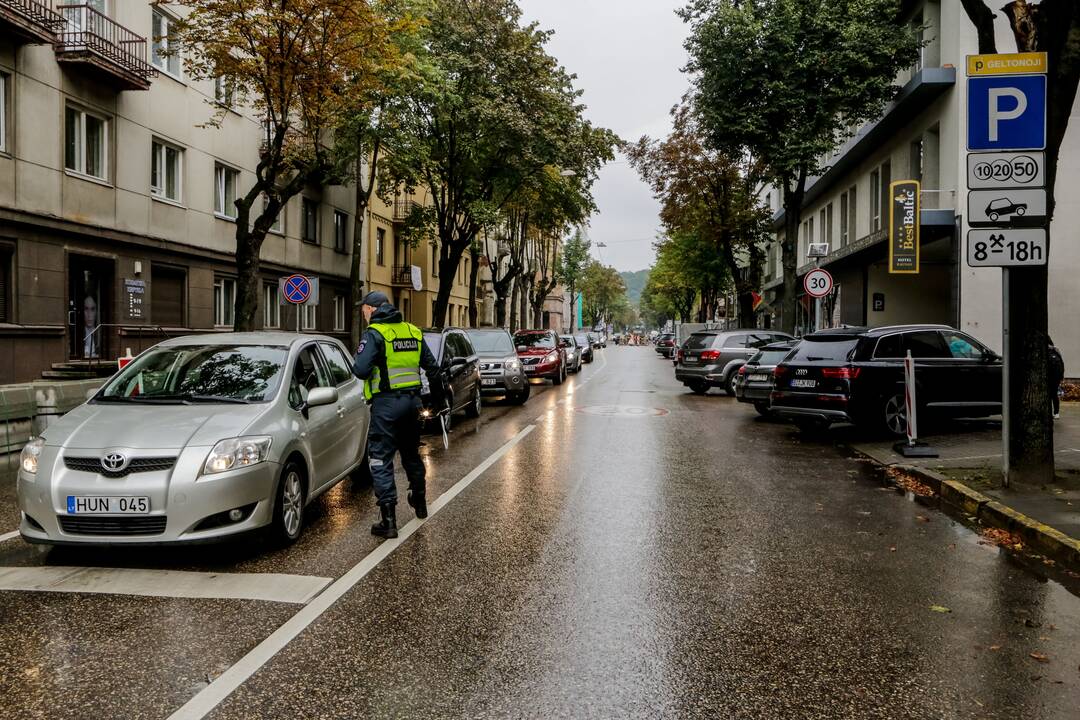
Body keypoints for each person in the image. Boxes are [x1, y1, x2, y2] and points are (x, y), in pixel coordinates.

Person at [352, 291, 442, 539]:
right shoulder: (412, 331)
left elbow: (360, 370)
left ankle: (388, 520)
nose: (363, 313)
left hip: (386, 406)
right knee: (411, 454)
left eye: (364, 309)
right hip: (412, 403)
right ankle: (420, 501)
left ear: (372, 309)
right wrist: (436, 400)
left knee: (380, 458)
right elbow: (433, 369)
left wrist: (360, 359)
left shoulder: (375, 334)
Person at [1048, 336, 1065, 420]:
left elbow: (1061, 364)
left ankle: (1054, 412)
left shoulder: (1051, 351)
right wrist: (1061, 376)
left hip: (1051, 377)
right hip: (1056, 377)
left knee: (1051, 395)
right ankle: (1056, 413)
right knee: (1054, 395)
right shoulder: (1056, 350)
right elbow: (1062, 364)